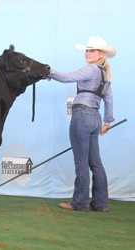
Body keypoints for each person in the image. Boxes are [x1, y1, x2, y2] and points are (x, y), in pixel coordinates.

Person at [49, 36, 116, 212]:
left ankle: (80, 202)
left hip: (82, 115)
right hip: (95, 118)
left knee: (81, 161)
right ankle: (101, 203)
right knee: (95, 162)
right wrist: (107, 122)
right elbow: (109, 100)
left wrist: (47, 71)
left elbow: (66, 78)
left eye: (91, 50)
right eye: (87, 50)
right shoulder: (105, 74)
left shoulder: (91, 69)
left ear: (101, 54)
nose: (87, 53)